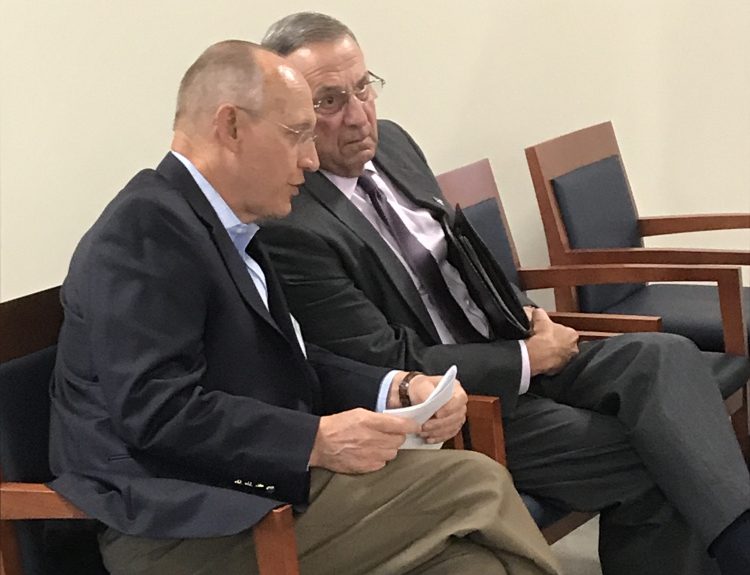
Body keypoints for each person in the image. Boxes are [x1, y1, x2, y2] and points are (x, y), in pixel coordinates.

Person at [259, 12, 750, 575]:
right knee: (654, 457)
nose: (358, 116)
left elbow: (460, 257)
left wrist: (528, 316)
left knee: (665, 356)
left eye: (364, 88)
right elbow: (383, 362)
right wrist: (521, 359)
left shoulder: (393, 144)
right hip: (464, 406)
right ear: (291, 114)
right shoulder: (292, 223)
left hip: (510, 341)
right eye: (330, 101)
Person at [48, 40, 562, 575]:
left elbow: (288, 358)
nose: (312, 159)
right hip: (178, 525)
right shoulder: (146, 230)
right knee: (474, 481)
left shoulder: (229, 227)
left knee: (470, 567)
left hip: (254, 492)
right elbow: (156, 410)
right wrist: (315, 441)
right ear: (231, 126)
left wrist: (396, 386)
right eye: (297, 134)